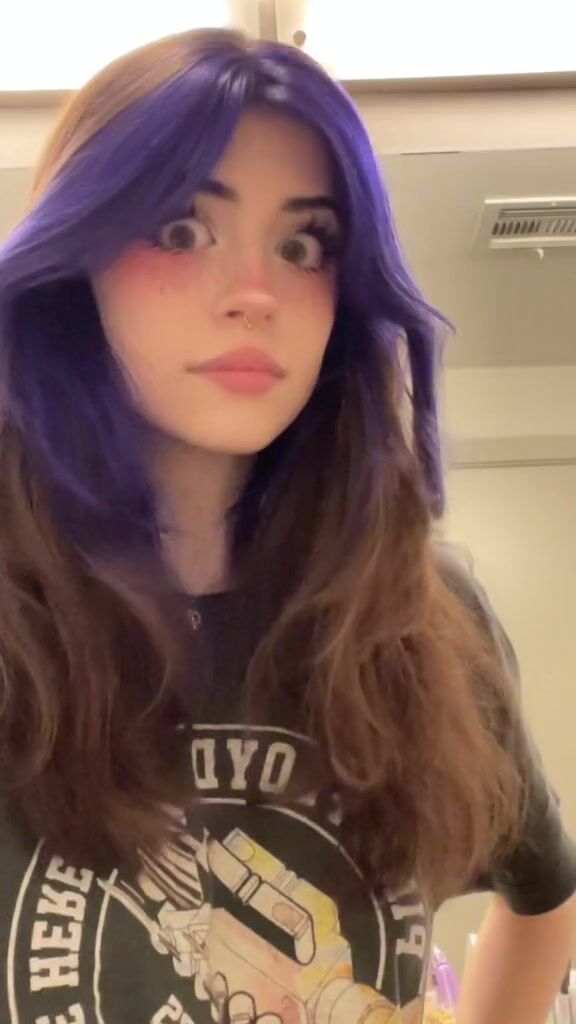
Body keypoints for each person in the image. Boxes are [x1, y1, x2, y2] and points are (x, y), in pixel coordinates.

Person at [0, 27, 574, 1024]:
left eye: (303, 245)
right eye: (184, 230)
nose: (256, 295)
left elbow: (545, 900)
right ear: (77, 260)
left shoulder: (426, 618)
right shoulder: (16, 617)